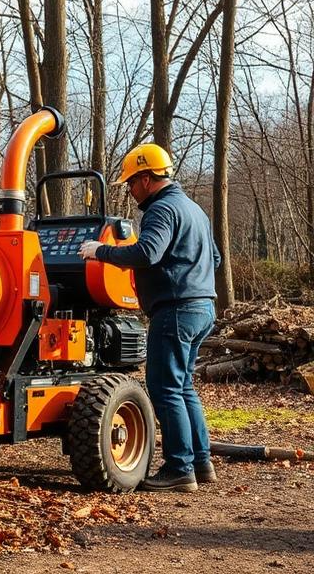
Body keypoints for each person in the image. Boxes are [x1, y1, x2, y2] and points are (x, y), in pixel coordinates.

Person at [79, 143, 220, 492]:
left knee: (164, 387)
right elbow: (214, 258)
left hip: (176, 309)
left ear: (146, 178)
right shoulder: (194, 209)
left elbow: (148, 252)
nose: (129, 189)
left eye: (131, 181)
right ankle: (201, 462)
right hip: (202, 307)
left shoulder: (161, 210)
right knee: (183, 386)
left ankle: (179, 468)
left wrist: (101, 251)